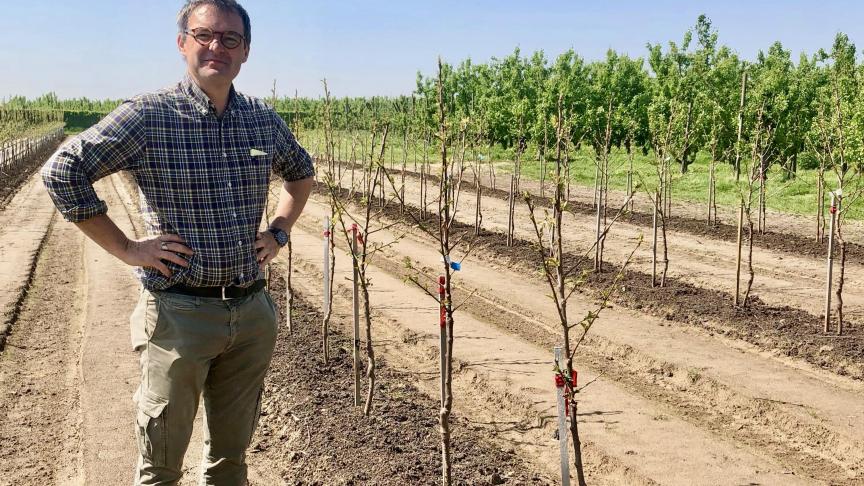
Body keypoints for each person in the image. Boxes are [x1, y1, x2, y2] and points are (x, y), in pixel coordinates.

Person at [41, 0, 314, 484]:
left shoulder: (261, 120)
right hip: (177, 316)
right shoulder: (149, 116)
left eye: (230, 38)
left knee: (231, 461)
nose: (217, 47)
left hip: (251, 314)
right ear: (182, 42)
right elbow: (63, 172)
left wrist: (278, 232)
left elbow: (301, 174)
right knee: (161, 467)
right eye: (204, 35)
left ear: (246, 51)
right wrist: (128, 248)